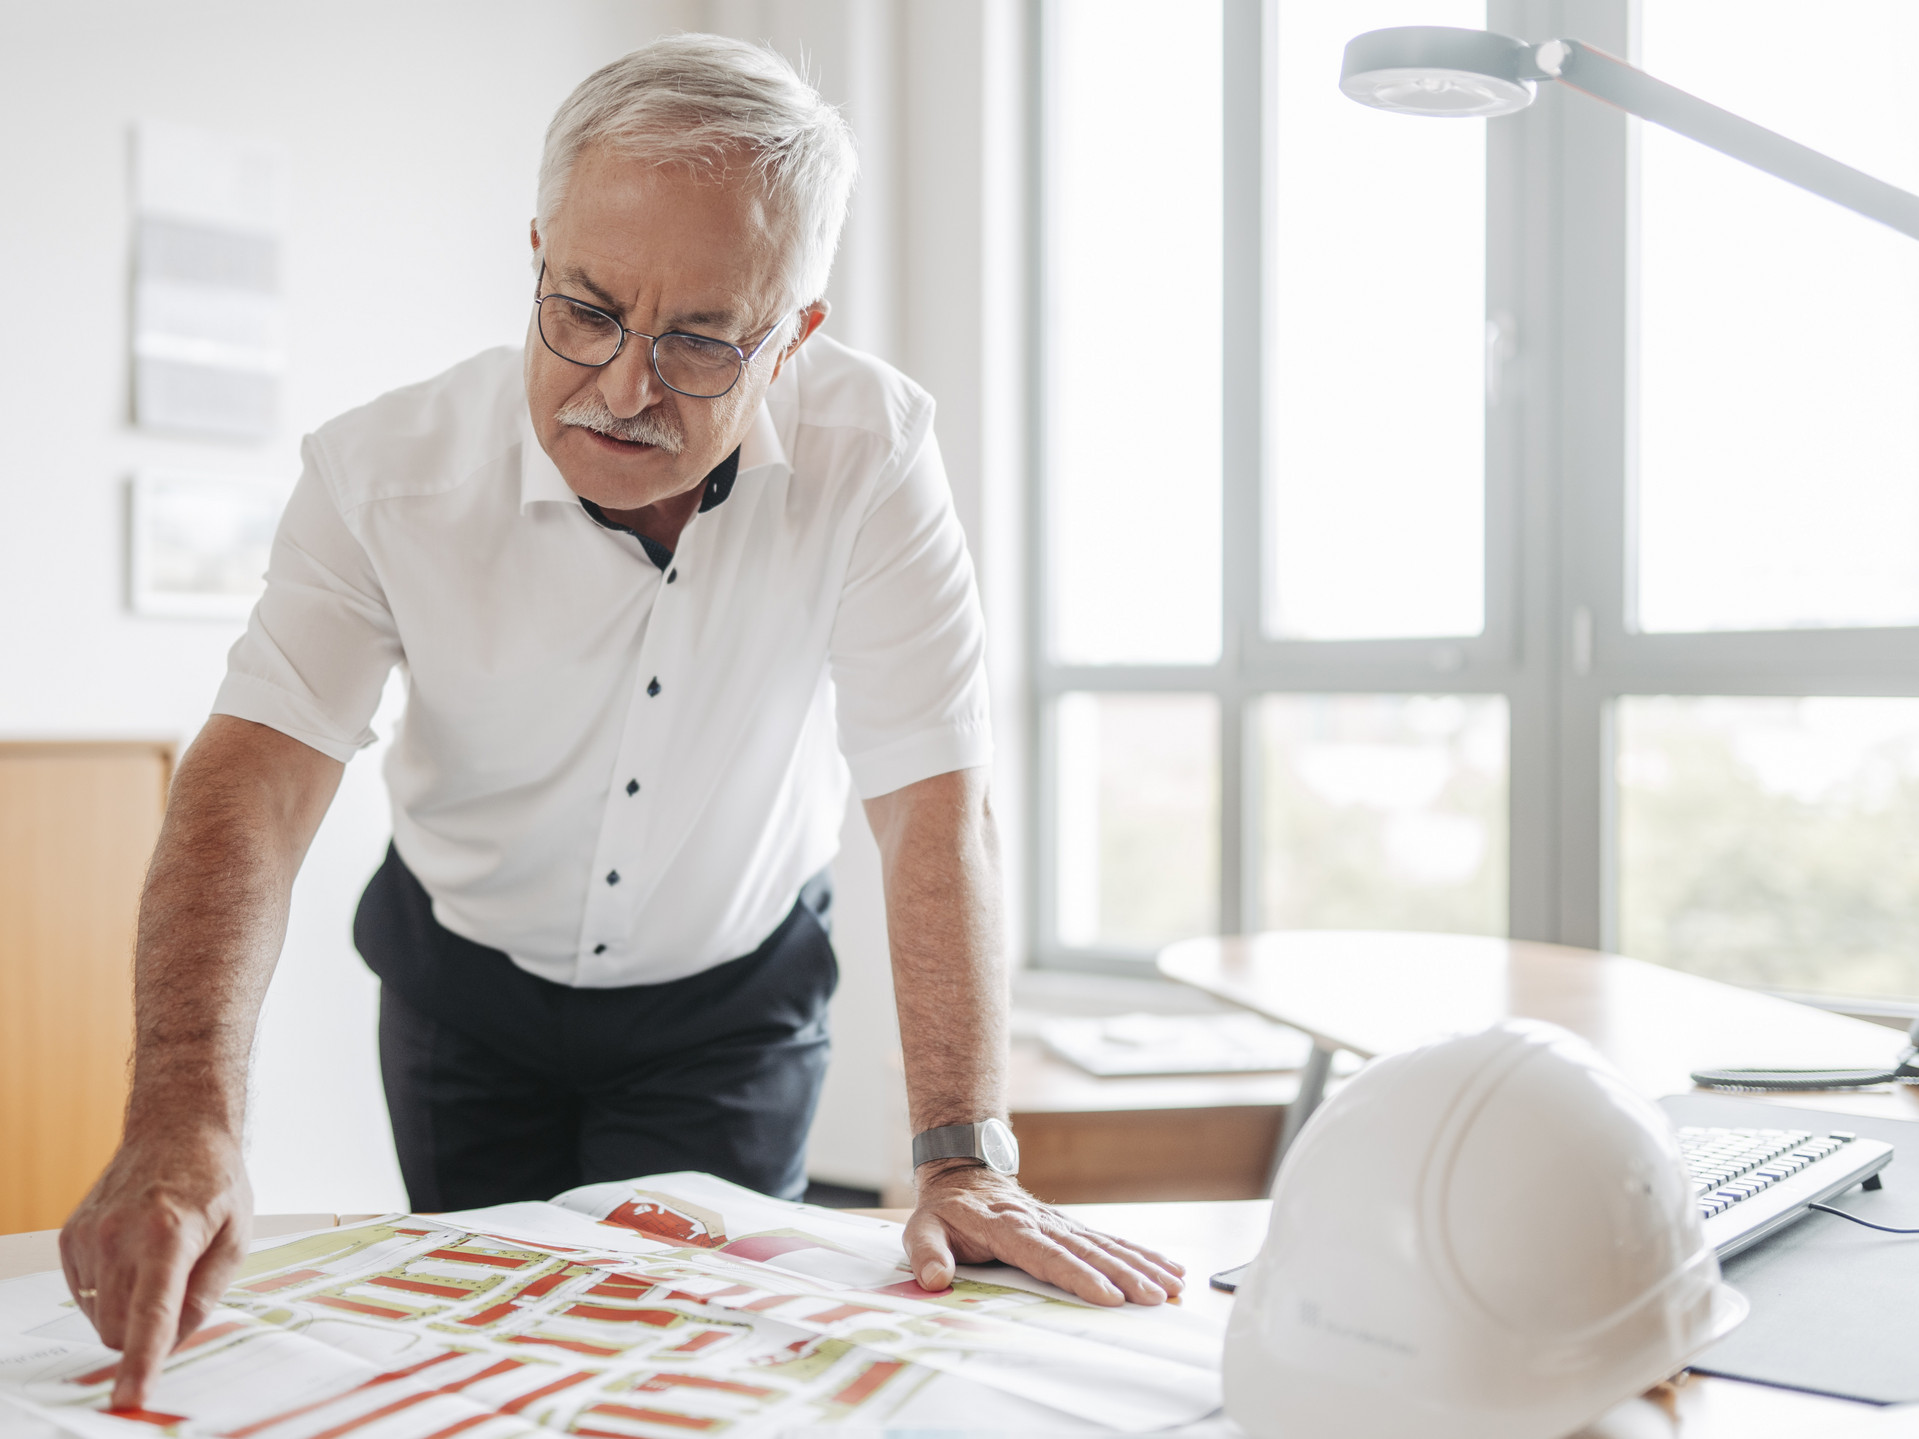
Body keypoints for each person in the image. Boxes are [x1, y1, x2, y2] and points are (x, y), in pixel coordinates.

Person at [59, 33, 1185, 1411]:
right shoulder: (379, 477)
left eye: (705, 340)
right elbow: (251, 787)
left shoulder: (873, 455)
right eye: (584, 310)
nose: (626, 387)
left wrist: (963, 1156)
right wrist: (184, 1116)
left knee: (689, 1373)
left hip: (728, 1001)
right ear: (537, 253)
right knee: (487, 1359)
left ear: (795, 337)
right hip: (463, 988)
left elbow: (931, 798)